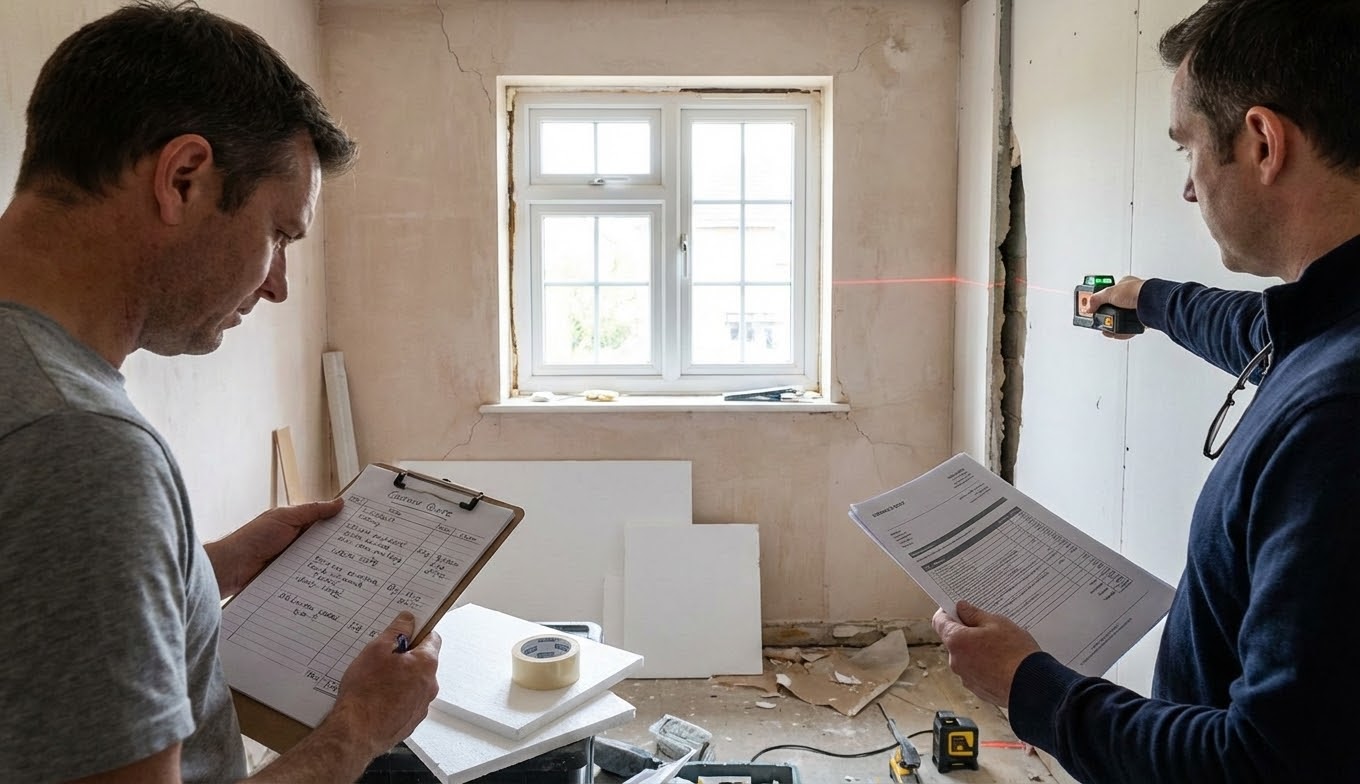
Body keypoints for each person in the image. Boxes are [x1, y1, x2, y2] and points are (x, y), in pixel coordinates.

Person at [0, 2, 441, 782]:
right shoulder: (79, 443)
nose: (277, 285)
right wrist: (357, 730)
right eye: (279, 233)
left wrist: (211, 568)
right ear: (184, 179)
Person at [932, 1, 1360, 782]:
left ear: (1263, 143)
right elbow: (1255, 330)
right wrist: (1148, 300)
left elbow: (1264, 764)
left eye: (1187, 146)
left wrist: (1030, 688)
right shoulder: (1327, 329)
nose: (1189, 188)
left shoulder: (1335, 419)